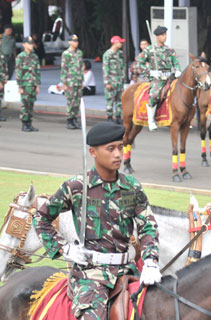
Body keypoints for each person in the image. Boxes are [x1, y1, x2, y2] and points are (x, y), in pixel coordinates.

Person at [33, 121, 161, 319]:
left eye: (120, 147)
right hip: (90, 275)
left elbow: (148, 227)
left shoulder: (132, 187)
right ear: (93, 152)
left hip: (127, 269)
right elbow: (41, 217)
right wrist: (63, 248)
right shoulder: (76, 187)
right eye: (111, 149)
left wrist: (151, 261)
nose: (118, 154)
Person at [136, 26, 182, 131]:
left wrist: (178, 70)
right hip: (157, 78)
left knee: (182, 92)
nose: (165, 37)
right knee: (155, 95)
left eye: (165, 34)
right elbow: (140, 63)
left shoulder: (169, 49)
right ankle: (151, 120)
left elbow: (176, 61)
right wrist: (150, 72)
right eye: (162, 35)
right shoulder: (149, 50)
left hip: (170, 76)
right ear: (157, 37)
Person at [15, 36, 40, 132]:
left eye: (32, 43)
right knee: (25, 105)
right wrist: (20, 86)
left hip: (33, 84)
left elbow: (37, 72)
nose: (31, 45)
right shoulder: (20, 57)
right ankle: (24, 124)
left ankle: (29, 123)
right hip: (25, 85)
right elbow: (18, 72)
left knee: (31, 104)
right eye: (29, 44)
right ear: (24, 45)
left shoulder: (35, 57)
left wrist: (37, 85)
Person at [61, 34, 84, 130]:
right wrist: (64, 83)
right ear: (69, 42)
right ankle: (69, 120)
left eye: (77, 41)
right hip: (70, 81)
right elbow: (64, 68)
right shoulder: (66, 53)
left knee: (77, 101)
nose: (76, 43)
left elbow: (81, 68)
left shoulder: (79, 53)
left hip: (78, 81)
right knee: (70, 101)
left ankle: (75, 119)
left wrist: (82, 80)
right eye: (74, 41)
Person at [103, 36, 126, 124]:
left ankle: (118, 116)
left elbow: (122, 67)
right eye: (120, 42)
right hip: (111, 81)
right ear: (115, 43)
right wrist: (107, 82)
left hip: (119, 81)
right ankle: (109, 116)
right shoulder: (108, 54)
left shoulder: (120, 53)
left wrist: (123, 79)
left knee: (119, 100)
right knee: (110, 100)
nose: (121, 44)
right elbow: (105, 69)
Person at [0, 35, 7, 123]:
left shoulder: (1, 52)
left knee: (0, 97)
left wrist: (5, 78)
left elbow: (4, 66)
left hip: (2, 79)